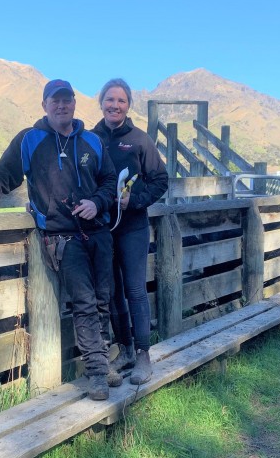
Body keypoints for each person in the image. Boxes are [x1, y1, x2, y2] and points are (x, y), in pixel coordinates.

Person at [0, 79, 117, 400]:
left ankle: (103, 359)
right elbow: (4, 173)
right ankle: (96, 373)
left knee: (102, 300)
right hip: (62, 238)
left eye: (67, 100)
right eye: (54, 101)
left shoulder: (92, 141)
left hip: (99, 232)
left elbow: (110, 180)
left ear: (74, 104)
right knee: (84, 302)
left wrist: (97, 201)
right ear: (44, 105)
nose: (61, 106)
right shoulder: (31, 140)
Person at [91, 78, 168, 386]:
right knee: (110, 293)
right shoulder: (90, 139)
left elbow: (160, 180)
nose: (115, 105)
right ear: (101, 102)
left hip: (133, 228)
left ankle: (143, 355)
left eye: (121, 101)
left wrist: (133, 200)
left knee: (135, 290)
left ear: (128, 105)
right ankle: (123, 350)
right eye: (110, 99)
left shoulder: (139, 139)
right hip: (102, 229)